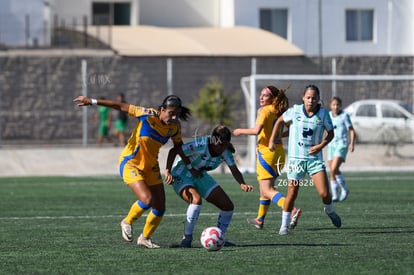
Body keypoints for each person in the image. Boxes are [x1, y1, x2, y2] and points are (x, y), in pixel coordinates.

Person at [74, 94, 192, 248]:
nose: (174, 117)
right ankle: (127, 221)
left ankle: (144, 238)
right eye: (171, 113)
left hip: (151, 167)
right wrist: (93, 101)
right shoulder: (146, 114)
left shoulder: (174, 128)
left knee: (160, 207)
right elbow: (120, 106)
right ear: (162, 110)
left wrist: (172, 168)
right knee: (147, 200)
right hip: (131, 163)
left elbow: (177, 147)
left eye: (177, 113)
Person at [269, 84, 342, 235]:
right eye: (308, 97)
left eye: (314, 98)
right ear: (303, 98)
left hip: (314, 160)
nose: (311, 100)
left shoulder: (323, 114)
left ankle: (329, 211)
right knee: (292, 192)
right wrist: (272, 140)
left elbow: (331, 134)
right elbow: (279, 121)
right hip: (296, 160)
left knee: (325, 194)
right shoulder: (295, 111)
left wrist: (321, 145)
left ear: (318, 100)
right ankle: (284, 225)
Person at [165, 125, 254, 248]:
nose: (222, 148)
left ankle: (219, 237)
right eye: (220, 144)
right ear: (213, 140)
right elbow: (175, 150)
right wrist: (168, 171)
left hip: (200, 176)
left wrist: (242, 183)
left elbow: (234, 170)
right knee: (196, 200)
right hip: (182, 173)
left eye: (225, 145)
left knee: (228, 206)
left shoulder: (225, 152)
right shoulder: (200, 144)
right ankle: (187, 238)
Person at [233, 85, 301, 230]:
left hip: (267, 153)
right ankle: (259, 220)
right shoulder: (280, 111)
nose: (261, 97)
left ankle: (291, 209)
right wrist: (278, 136)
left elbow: (256, 131)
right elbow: (291, 129)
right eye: (261, 95)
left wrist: (239, 131)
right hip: (280, 153)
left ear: (273, 98)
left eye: (265, 95)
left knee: (268, 190)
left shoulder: (265, 111)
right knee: (265, 189)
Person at [327, 96, 355, 202]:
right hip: (331, 145)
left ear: (340, 105)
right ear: (330, 105)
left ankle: (344, 189)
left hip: (341, 144)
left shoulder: (344, 116)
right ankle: (334, 195)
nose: (335, 107)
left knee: (334, 168)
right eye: (334, 104)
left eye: (337, 105)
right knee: (332, 171)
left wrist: (351, 143)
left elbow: (351, 130)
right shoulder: (328, 115)